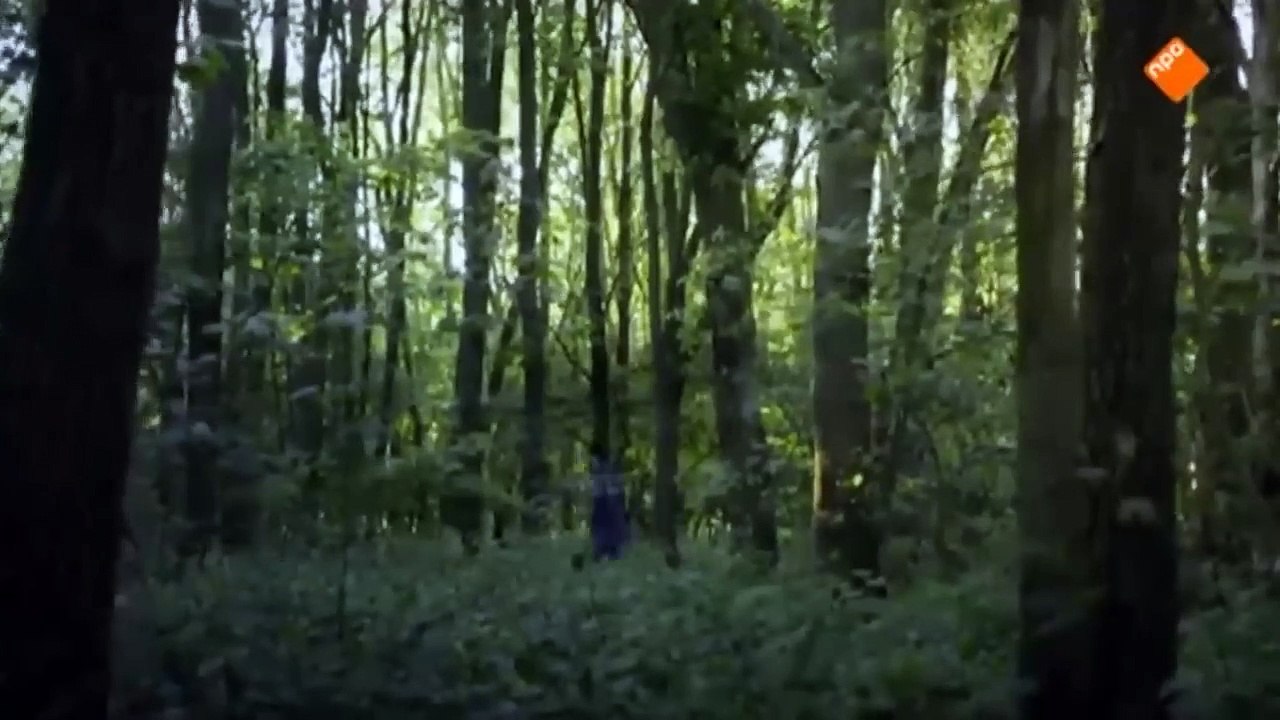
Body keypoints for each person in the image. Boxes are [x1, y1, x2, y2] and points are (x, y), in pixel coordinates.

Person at [588, 443, 630, 561]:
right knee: (606, 526)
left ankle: (607, 551)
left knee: (607, 526)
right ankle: (605, 551)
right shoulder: (605, 469)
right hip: (606, 501)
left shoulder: (604, 469)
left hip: (607, 501)